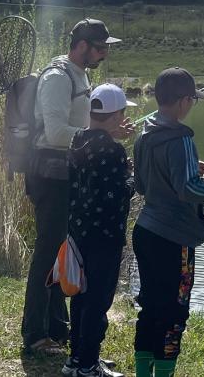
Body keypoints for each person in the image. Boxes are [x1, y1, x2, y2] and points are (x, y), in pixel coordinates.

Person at [21, 18, 133, 357]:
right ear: (82, 45)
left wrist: (105, 132)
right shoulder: (57, 77)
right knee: (47, 253)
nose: (103, 54)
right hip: (49, 176)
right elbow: (53, 133)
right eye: (100, 48)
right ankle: (35, 335)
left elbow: (79, 129)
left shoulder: (79, 74)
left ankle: (58, 328)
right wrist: (101, 136)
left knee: (62, 252)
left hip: (66, 176)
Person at [131, 67, 204, 377]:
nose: (192, 105)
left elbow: (142, 185)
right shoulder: (180, 138)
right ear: (184, 101)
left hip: (145, 232)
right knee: (174, 313)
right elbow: (190, 190)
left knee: (151, 309)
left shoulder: (145, 134)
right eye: (192, 100)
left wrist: (186, 168)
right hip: (174, 241)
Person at [62, 83, 136, 377]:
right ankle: (88, 364)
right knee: (99, 299)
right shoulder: (114, 151)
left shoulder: (78, 139)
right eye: (121, 114)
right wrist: (130, 175)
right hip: (105, 238)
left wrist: (115, 148)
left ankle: (76, 359)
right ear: (116, 115)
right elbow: (121, 193)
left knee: (81, 295)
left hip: (78, 233)